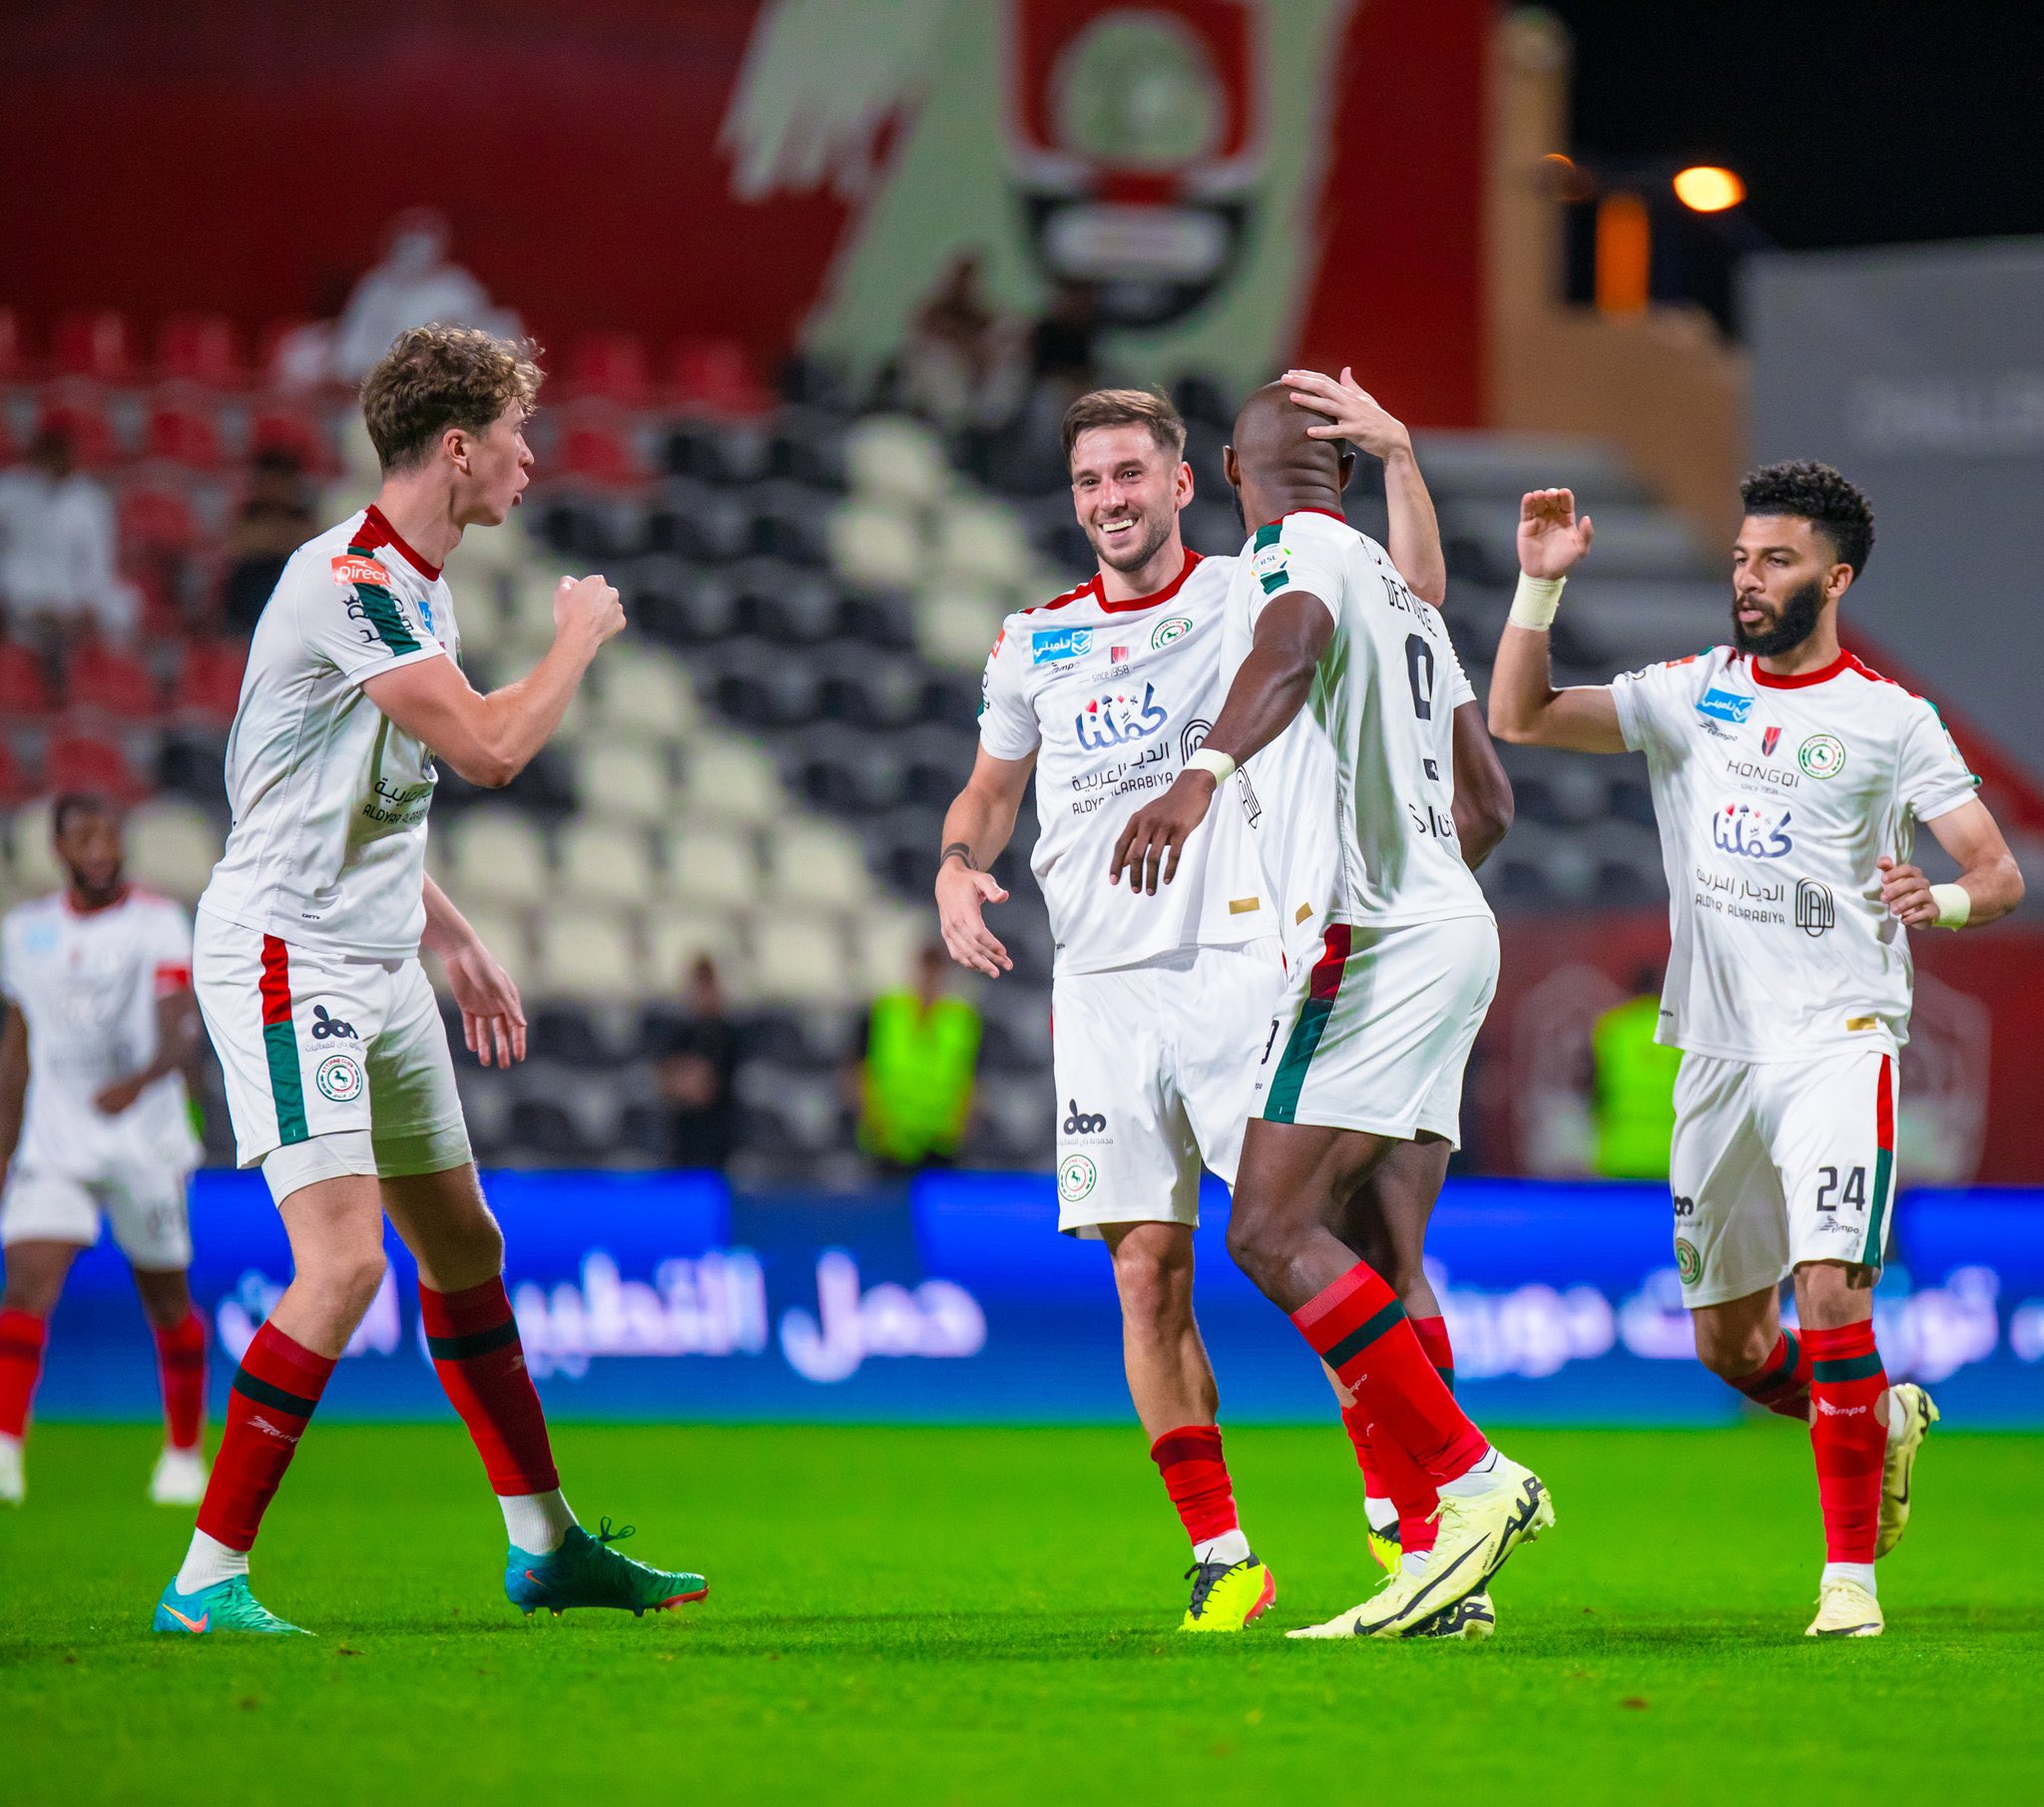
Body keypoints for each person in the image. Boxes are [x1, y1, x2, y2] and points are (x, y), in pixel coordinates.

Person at [153, 324, 705, 1637]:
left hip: (377, 952)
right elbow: (494, 750)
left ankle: (545, 1542)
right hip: (287, 954)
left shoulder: (418, 587)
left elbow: (368, 799)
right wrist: (577, 636)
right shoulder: (349, 581)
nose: (529, 457)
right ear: (457, 447)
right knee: (343, 1263)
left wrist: (447, 932)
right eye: (515, 433)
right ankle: (205, 1578)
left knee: (464, 1244)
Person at [944, 376, 1506, 1633]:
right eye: (1088, 480)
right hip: (1099, 987)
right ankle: (1222, 1555)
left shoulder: (1248, 583)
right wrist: (956, 863)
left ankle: (1412, 1521)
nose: (1108, 499)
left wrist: (1397, 457)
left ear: (1185, 481)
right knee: (1144, 1269)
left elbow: (1407, 594)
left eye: (1129, 474)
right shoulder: (1031, 639)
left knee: (1320, 1237)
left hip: (1243, 960)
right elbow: (987, 789)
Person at [1485, 460, 2023, 1637]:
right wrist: (1537, 589)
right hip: (1715, 1054)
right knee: (1729, 1347)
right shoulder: (1690, 693)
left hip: (1837, 1039)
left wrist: (1939, 899)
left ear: (1833, 579)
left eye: (1774, 560)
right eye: (1738, 558)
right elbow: (1518, 716)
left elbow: (1995, 870)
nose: (1747, 577)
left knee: (1829, 1289)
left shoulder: (1890, 718)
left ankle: (1847, 1582)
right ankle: (1878, 1418)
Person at [1109, 382, 1552, 1643]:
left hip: (1371, 939)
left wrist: (1200, 775)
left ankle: (1471, 1482)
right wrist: (1419, 884)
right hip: (1449, 929)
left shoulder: (1289, 554)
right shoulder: (1405, 599)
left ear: (1231, 477)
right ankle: (1437, 1566)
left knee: (1265, 1228)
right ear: (1344, 475)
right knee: (1377, 1248)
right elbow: (1489, 801)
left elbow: (1289, 647)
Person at [0, 795, 207, 1508]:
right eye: (83, 837)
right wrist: (4, 1147)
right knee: (26, 1283)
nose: (99, 850)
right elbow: (17, 1049)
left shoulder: (157, 921)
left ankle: (183, 1454)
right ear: (57, 848)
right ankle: (5, 1451)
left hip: (144, 1138)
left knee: (167, 1299)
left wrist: (139, 1081)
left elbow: (181, 1026)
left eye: (109, 835)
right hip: (56, 1140)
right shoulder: (24, 932)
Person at [331, 210, 519, 384]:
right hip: (373, 378)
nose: (413, 250)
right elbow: (353, 338)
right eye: (408, 239)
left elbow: (476, 338)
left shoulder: (457, 287)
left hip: (439, 380)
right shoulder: (375, 285)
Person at [851, 943, 981, 1173]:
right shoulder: (885, 1010)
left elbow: (974, 1079)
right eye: (925, 968)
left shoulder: (962, 1019)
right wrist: (872, 1120)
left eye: (935, 969)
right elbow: (857, 1070)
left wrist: (962, 1128)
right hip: (887, 1142)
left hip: (940, 1144)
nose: (929, 977)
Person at [0, 424, 131, 643]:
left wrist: (85, 603)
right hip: (20, 587)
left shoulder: (90, 498)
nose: (55, 462)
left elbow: (98, 559)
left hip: (71, 594)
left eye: (60, 456)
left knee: (123, 606)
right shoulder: (11, 488)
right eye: (50, 456)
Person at [1590, 966, 1681, 1179]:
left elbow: (1592, 1089)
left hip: (1620, 1153)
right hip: (1671, 1155)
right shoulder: (1681, 1030)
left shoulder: (1614, 1027)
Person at [652, 957, 740, 1170]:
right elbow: (666, 1083)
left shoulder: (732, 1037)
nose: (701, 995)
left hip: (718, 1143)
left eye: (706, 987)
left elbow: (709, 1089)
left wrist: (692, 1080)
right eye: (697, 988)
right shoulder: (679, 1036)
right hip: (682, 1142)